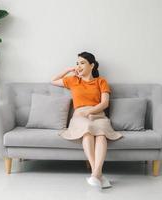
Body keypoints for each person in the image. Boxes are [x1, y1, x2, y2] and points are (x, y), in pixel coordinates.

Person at [50, 51, 123, 189]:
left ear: (92, 65)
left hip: (98, 114)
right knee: (88, 130)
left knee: (101, 134)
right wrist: (69, 69)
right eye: (77, 63)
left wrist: (90, 111)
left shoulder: (101, 81)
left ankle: (96, 174)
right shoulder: (73, 80)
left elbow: (105, 103)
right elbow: (52, 80)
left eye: (82, 63)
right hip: (80, 115)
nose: (78, 66)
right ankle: (98, 174)